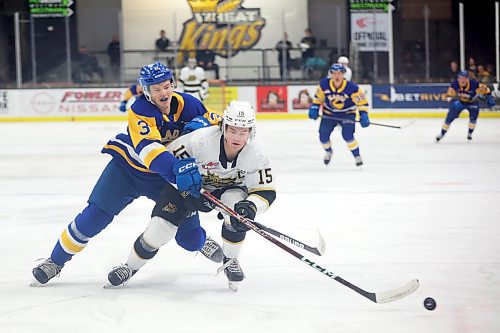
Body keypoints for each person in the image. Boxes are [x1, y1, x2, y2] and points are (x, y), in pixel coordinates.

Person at [31, 62, 224, 285]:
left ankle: (201, 241)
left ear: (173, 83)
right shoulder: (140, 109)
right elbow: (149, 150)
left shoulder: (190, 104)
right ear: (146, 91)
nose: (163, 92)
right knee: (93, 218)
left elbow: (220, 123)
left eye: (166, 86)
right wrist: (177, 173)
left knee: (189, 239)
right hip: (128, 170)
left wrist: (206, 122)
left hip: (166, 177)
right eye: (156, 88)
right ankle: (55, 261)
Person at [106, 101, 276, 292]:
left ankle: (230, 260)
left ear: (250, 132)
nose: (237, 137)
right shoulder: (200, 140)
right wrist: (187, 192)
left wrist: (251, 207)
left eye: (243, 132)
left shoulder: (257, 153)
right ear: (223, 127)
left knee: (236, 212)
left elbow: (265, 190)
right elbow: (169, 166)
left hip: (229, 189)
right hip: (189, 187)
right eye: (232, 130)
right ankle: (130, 267)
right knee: (161, 228)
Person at [308, 63, 370, 166]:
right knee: (323, 136)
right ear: (331, 74)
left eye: (339, 73)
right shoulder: (324, 84)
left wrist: (364, 115)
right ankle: (328, 151)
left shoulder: (352, 88)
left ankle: (357, 155)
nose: (337, 76)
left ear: (343, 74)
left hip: (347, 114)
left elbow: (362, 103)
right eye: (334, 73)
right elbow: (318, 99)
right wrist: (314, 108)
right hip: (329, 114)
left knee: (347, 135)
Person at [436, 70, 495, 142]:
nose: (462, 80)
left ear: (468, 78)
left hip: (473, 103)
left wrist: (489, 98)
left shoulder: (474, 84)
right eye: (461, 78)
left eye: (465, 78)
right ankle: (442, 133)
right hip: (461, 102)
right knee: (449, 117)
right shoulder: (454, 84)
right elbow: (450, 94)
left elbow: (486, 89)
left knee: (473, 118)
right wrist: (448, 96)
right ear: (458, 78)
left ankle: (470, 133)